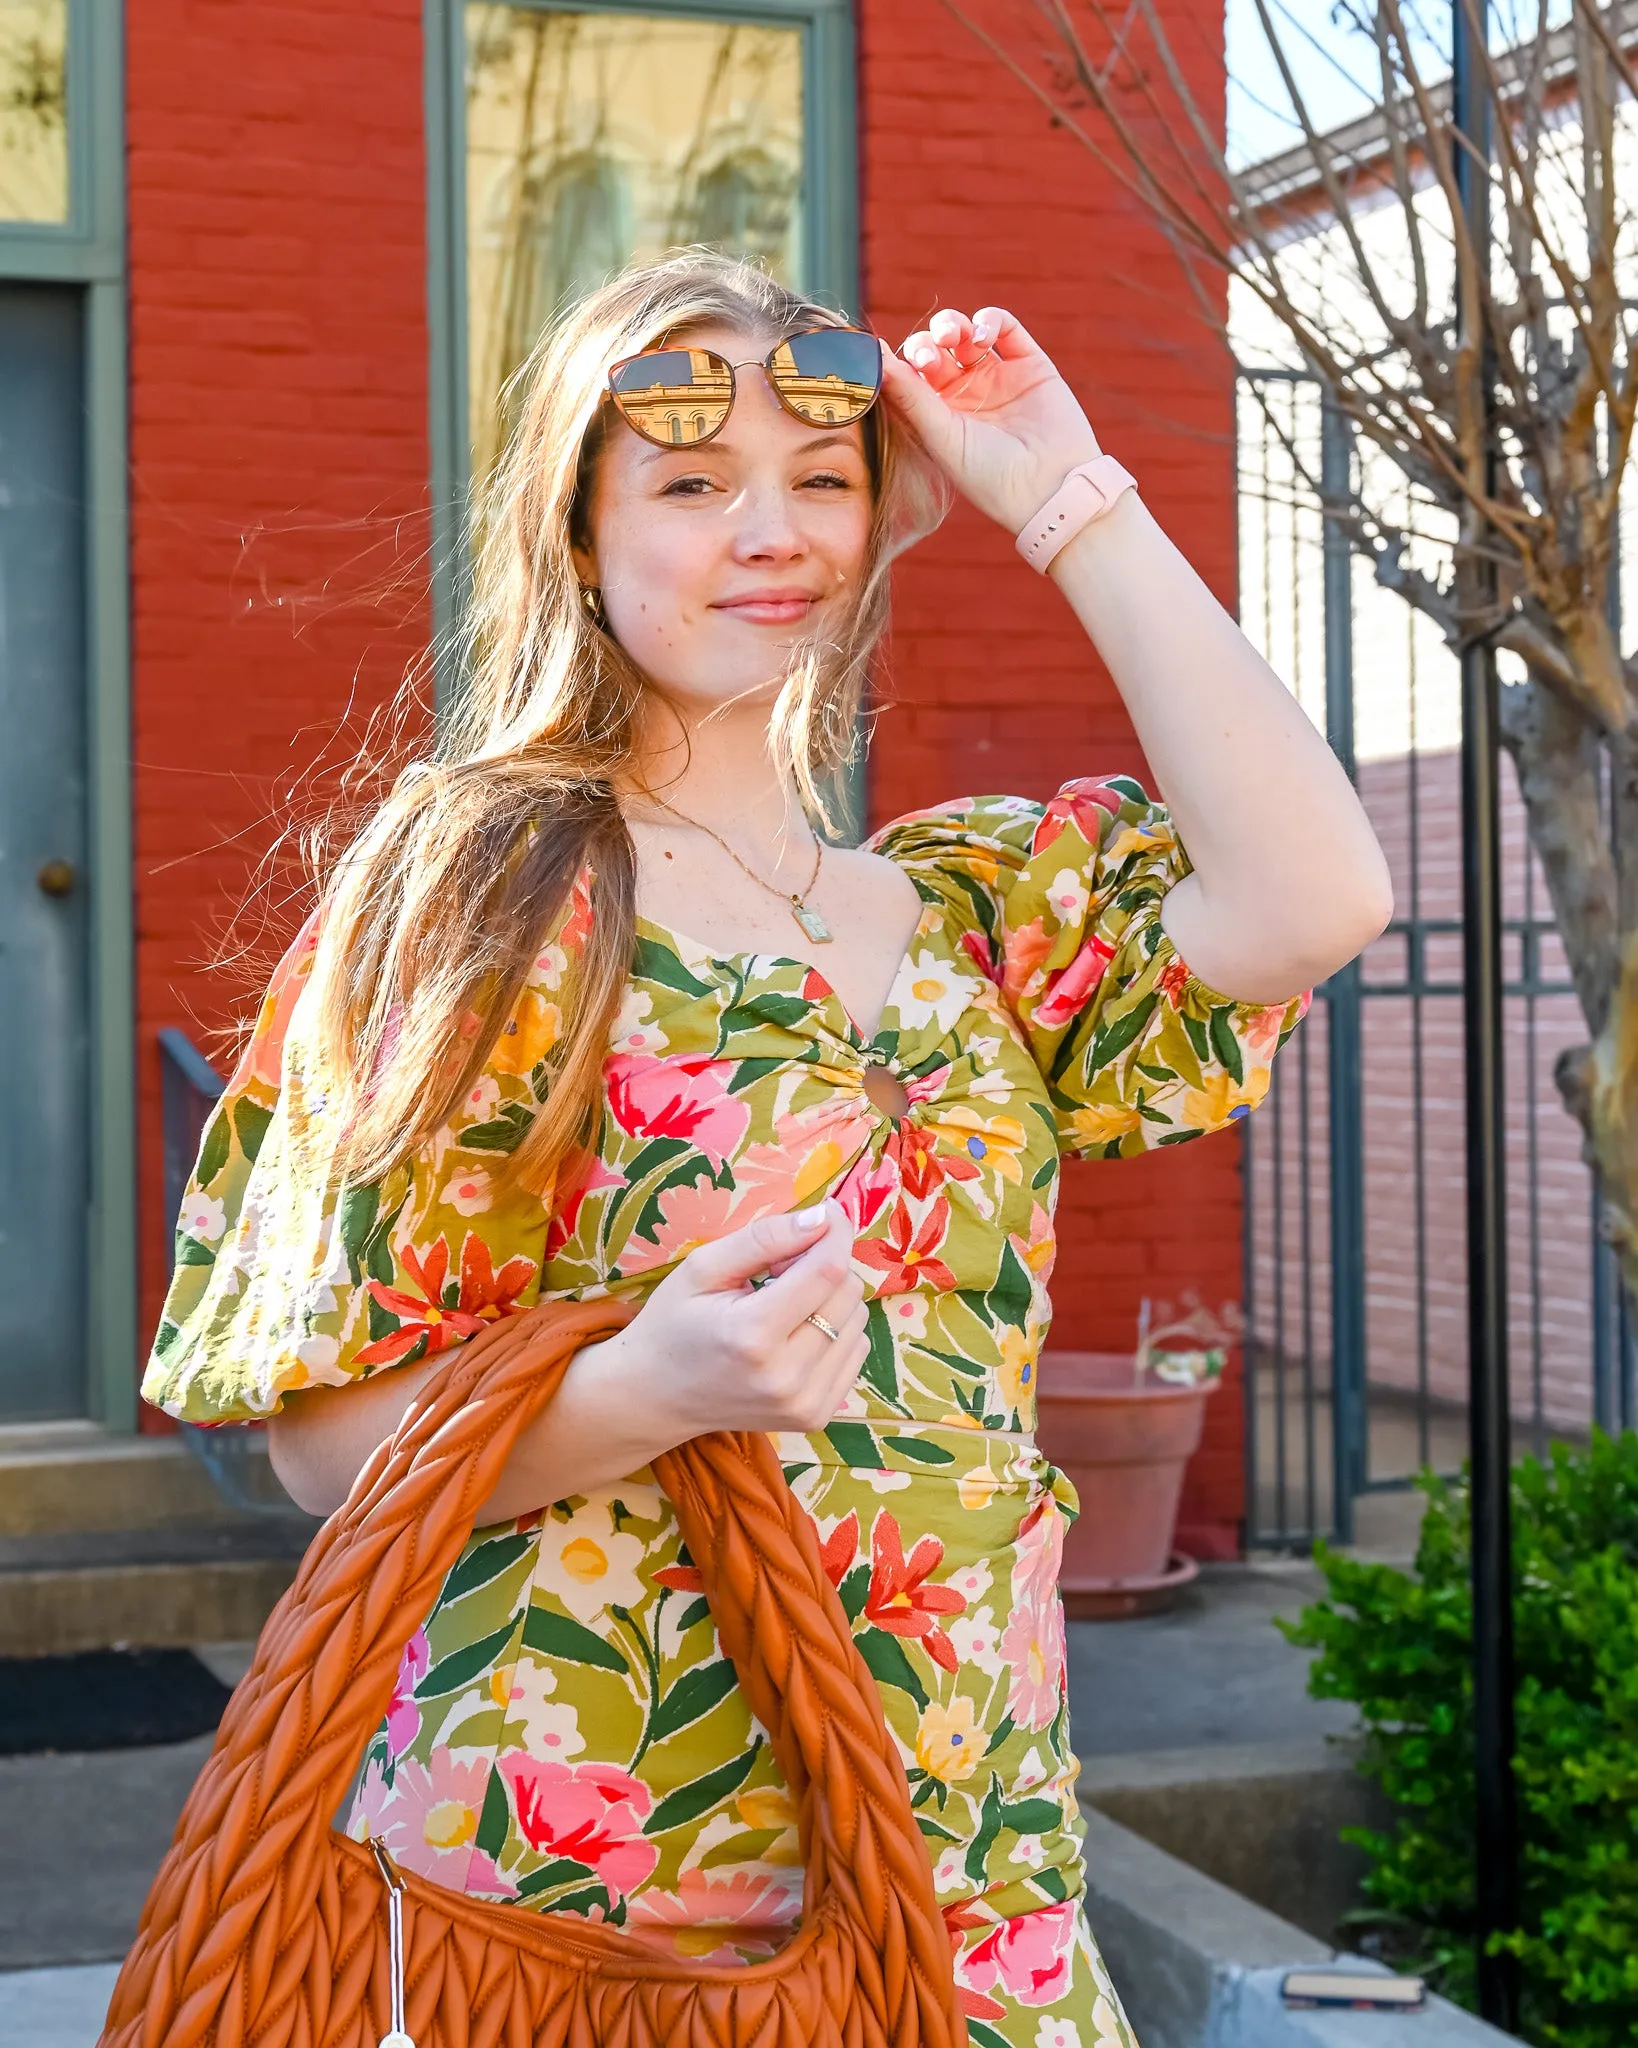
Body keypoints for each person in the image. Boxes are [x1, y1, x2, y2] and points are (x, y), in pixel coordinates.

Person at [144, 249, 1390, 2046]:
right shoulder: (487, 891)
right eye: (690, 482)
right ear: (578, 529)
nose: (769, 528)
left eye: (818, 479)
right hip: (615, 1895)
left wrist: (1061, 491)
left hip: (969, 1853)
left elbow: (1316, 893)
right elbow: (323, 1443)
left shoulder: (962, 916)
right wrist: (646, 1385)